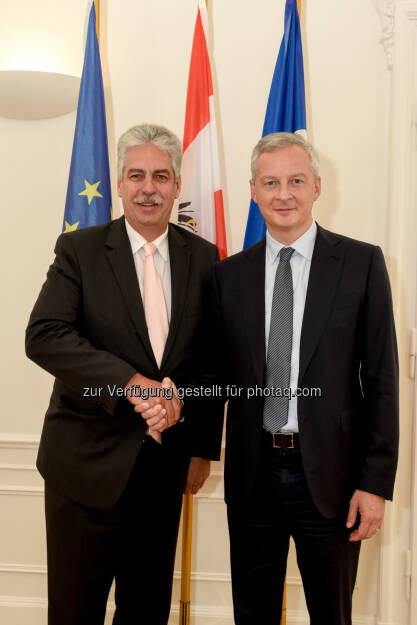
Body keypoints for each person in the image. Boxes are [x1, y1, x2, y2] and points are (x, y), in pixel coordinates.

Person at [25, 123, 224, 625]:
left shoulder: (203, 258)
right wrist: (130, 384)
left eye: (161, 175)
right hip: (84, 468)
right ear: (119, 183)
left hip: (162, 471)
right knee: (74, 612)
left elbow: (212, 358)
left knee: (146, 611)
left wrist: (200, 446)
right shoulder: (81, 251)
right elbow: (45, 335)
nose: (148, 187)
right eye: (136, 175)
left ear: (178, 185)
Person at [210, 132, 399, 624]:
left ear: (317, 186)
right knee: (253, 613)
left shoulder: (361, 264)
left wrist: (374, 483)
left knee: (331, 614)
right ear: (253, 191)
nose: (283, 194)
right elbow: (213, 377)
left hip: (334, 483)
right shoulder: (227, 277)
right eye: (270, 182)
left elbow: (381, 379)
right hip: (253, 477)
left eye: (295, 180)